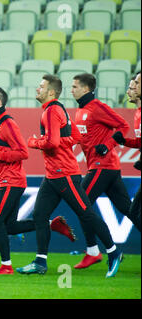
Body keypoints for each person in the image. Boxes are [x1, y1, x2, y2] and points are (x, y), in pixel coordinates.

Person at [17, 74, 123, 278]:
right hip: (52, 175)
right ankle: (40, 261)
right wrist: (53, 141)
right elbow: (75, 137)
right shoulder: (60, 110)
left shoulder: (50, 112)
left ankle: (113, 251)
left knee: (86, 214)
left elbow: (51, 143)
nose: (37, 89)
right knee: (40, 215)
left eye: (41, 87)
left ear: (51, 92)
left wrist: (33, 142)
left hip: (64, 174)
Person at [0, 85, 76, 275]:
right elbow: (1, 152)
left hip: (11, 181)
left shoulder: (7, 124)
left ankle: (6, 266)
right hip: (6, 181)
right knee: (10, 226)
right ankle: (49, 224)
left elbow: (23, 152)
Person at [71, 73, 138, 269]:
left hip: (103, 165)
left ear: (85, 89)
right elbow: (82, 137)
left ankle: (94, 252)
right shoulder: (80, 111)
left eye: (75, 86)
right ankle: (93, 252)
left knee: (81, 204)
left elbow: (123, 125)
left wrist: (108, 145)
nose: (72, 90)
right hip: (104, 167)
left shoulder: (98, 108)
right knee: (130, 211)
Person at [112, 73, 141, 235]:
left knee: (134, 211)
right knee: (134, 211)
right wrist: (124, 141)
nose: (131, 89)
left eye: (135, 84)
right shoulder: (138, 113)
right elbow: (140, 142)